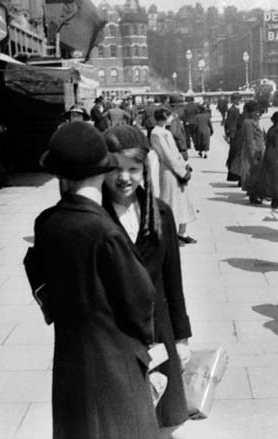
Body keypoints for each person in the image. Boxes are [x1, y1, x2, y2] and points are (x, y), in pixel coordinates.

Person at [30, 121, 160, 438]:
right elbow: (141, 298)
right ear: (102, 172)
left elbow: (42, 283)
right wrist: (146, 345)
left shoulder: (46, 223)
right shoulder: (105, 232)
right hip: (116, 363)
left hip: (70, 359)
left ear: (59, 175)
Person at [102, 125, 192, 433]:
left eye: (133, 169)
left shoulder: (161, 214)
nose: (124, 177)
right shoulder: (95, 217)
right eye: (115, 169)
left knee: (160, 417)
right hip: (114, 335)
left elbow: (173, 280)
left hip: (157, 330)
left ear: (145, 170)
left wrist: (181, 337)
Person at [150, 107, 197, 244]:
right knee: (171, 202)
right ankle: (170, 235)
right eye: (169, 116)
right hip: (169, 172)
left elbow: (175, 152)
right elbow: (167, 156)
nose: (171, 118)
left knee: (182, 202)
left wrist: (185, 165)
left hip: (177, 170)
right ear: (164, 117)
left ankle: (182, 232)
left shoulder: (166, 132)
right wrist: (181, 172)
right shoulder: (156, 133)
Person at [258, 111, 278, 209]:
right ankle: (277, 198)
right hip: (276, 154)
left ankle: (275, 199)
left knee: (272, 178)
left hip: (269, 152)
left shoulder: (273, 128)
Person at [239, 100, 265, 204]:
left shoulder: (256, 122)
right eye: (256, 111)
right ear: (251, 112)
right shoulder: (248, 123)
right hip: (253, 151)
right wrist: (252, 155)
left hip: (258, 150)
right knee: (253, 172)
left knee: (257, 172)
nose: (258, 114)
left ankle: (255, 193)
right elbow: (249, 140)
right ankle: (253, 195)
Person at [224, 93, 242, 183]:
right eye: (237, 99)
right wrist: (228, 134)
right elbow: (228, 123)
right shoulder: (232, 110)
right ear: (234, 100)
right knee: (234, 153)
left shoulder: (236, 109)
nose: (239, 101)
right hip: (233, 134)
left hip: (237, 133)